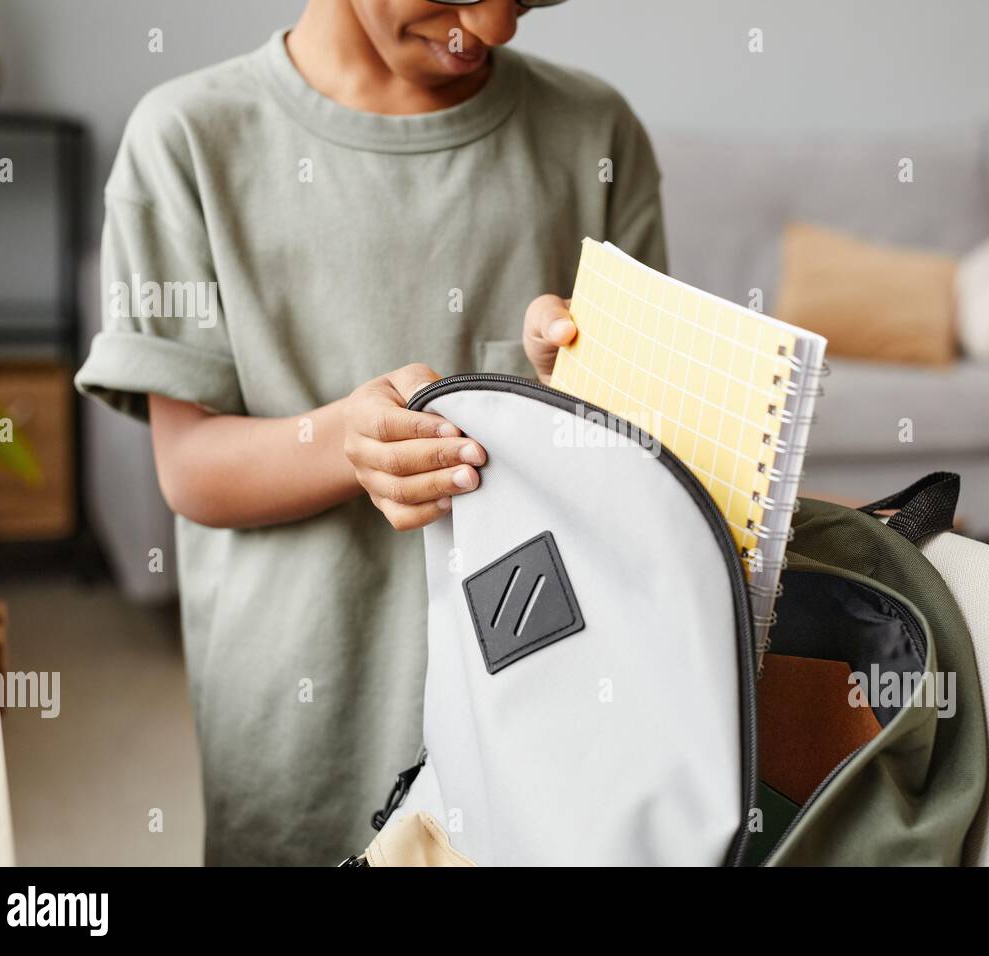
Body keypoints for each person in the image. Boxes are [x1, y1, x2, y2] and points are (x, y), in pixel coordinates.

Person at [75, 0, 666, 864]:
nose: (495, 26)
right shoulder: (186, 140)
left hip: (541, 743)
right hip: (298, 751)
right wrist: (342, 444)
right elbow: (190, 468)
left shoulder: (597, 132)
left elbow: (651, 466)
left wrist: (571, 396)